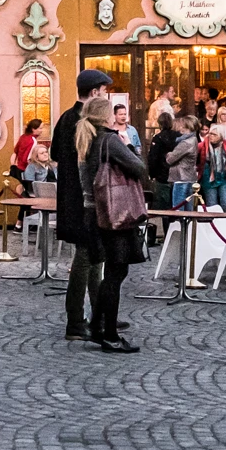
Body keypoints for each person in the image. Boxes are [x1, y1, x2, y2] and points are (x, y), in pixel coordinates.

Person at [77, 97, 148, 353]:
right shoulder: (109, 140)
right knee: (116, 274)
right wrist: (130, 146)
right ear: (106, 116)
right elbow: (139, 168)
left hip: (95, 212)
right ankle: (109, 334)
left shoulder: (87, 139)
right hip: (114, 213)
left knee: (112, 273)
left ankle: (97, 326)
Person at [56, 69, 113, 342]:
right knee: (85, 259)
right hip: (85, 201)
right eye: (103, 91)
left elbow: (56, 153)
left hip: (70, 197)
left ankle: (98, 315)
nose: (106, 96)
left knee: (94, 258)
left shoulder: (65, 117)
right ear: (94, 93)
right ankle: (76, 320)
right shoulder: (85, 120)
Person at [200, 121, 226, 211]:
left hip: (224, 177)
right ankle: (214, 224)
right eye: (210, 133)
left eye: (214, 134)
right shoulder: (203, 144)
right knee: (212, 205)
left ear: (221, 136)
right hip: (209, 178)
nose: (211, 136)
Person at [165, 115, 199, 209]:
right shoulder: (194, 139)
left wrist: (169, 154)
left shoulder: (185, 143)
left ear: (187, 127)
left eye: (182, 126)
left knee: (178, 208)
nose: (180, 128)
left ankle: (180, 224)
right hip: (189, 176)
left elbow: (170, 159)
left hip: (181, 178)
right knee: (188, 209)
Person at [146, 111, 178, 208]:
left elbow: (153, 158)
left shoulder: (157, 138)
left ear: (159, 123)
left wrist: (152, 174)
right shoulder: (178, 137)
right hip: (177, 175)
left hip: (162, 176)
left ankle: (165, 223)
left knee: (162, 205)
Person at [13, 117, 45, 197]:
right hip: (26, 169)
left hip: (19, 168)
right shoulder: (33, 140)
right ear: (33, 129)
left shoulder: (23, 137)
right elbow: (28, 158)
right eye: (40, 128)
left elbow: (15, 152)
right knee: (31, 193)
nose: (42, 130)